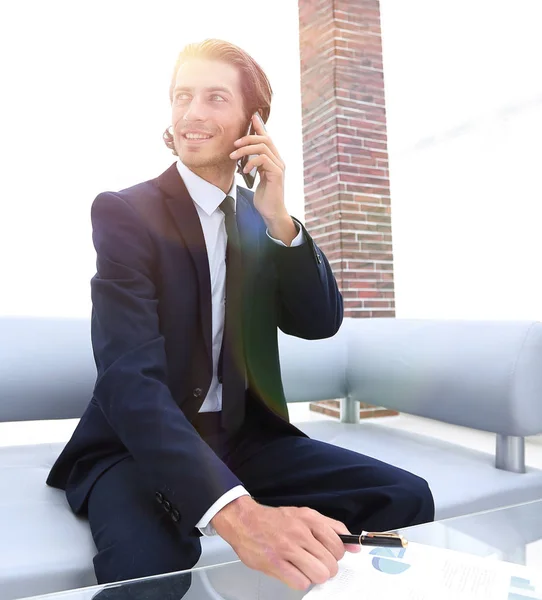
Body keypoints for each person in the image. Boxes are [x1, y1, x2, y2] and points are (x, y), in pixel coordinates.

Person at [47, 38, 434, 596]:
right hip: (139, 444)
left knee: (405, 496)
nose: (192, 113)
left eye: (214, 98)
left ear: (253, 123)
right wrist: (239, 512)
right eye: (182, 96)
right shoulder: (126, 212)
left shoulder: (260, 221)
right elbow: (127, 378)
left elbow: (318, 321)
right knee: (152, 568)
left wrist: (282, 221)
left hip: (243, 436)